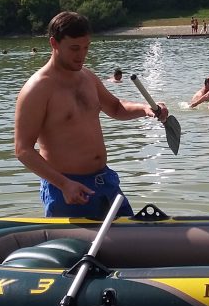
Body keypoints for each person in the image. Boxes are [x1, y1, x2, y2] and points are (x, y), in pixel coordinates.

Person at [14, 11, 169, 218]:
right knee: (76, 250)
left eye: (86, 47)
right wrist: (64, 184)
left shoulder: (87, 77)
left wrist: (145, 109)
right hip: (67, 189)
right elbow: (23, 150)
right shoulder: (37, 89)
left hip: (105, 182)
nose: (81, 55)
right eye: (75, 48)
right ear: (54, 43)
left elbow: (115, 107)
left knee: (129, 244)